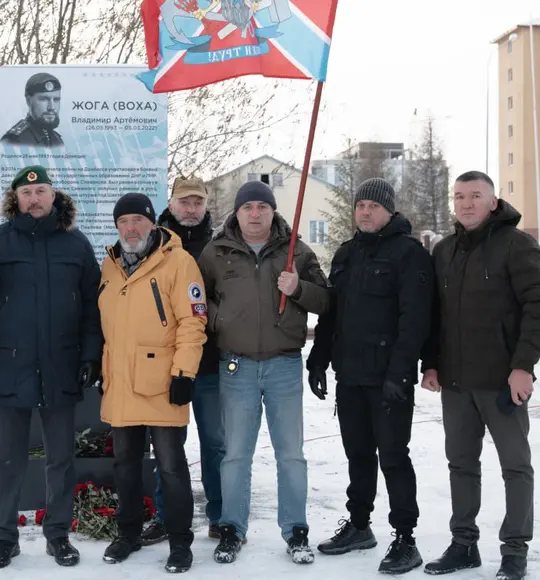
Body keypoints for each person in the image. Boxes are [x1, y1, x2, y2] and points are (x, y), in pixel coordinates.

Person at [0, 165, 103, 569]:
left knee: (61, 458)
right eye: (27, 193)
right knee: (9, 459)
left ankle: (58, 535)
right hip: (11, 367)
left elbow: (93, 307)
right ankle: (5, 537)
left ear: (53, 196)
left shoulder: (75, 245)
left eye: (41, 191)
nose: (35, 199)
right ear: (16, 200)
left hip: (61, 365)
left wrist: (91, 355)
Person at [420, 171, 540, 580]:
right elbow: (434, 316)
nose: (466, 203)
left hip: (502, 382)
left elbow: (538, 308)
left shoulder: (517, 245)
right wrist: (432, 363)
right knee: (460, 465)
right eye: (459, 196)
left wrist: (522, 366)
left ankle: (515, 549)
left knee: (515, 465)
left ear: (493, 202)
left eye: (475, 196)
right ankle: (463, 544)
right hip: (456, 384)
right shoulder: (444, 251)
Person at [197, 180, 331, 565]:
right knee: (236, 454)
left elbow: (326, 300)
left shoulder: (296, 251)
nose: (255, 214)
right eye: (247, 207)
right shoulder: (216, 252)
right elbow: (196, 298)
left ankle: (296, 530)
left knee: (291, 455)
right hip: (235, 366)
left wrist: (299, 287)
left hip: (283, 365)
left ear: (273, 211)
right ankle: (232, 529)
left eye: (262, 206)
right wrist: (219, 318)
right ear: (236, 212)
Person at [306, 178, 433, 574]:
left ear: (389, 210)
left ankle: (405, 538)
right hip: (351, 377)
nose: (364, 211)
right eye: (360, 205)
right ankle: (359, 525)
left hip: (389, 380)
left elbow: (415, 321)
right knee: (358, 455)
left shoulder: (408, 254)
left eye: (372, 206)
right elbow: (331, 314)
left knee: (394, 457)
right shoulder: (346, 254)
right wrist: (318, 360)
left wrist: (401, 375)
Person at [97, 192, 207, 573]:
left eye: (138, 221)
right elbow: (107, 327)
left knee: (172, 467)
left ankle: (179, 542)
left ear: (152, 223)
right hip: (121, 383)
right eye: (123, 222)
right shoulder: (109, 265)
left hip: (163, 383)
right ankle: (128, 533)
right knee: (125, 463)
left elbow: (194, 322)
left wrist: (184, 373)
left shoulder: (178, 262)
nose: (131, 228)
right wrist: (102, 370)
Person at [141, 176, 226, 546]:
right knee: (167, 446)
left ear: (205, 206)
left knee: (215, 443)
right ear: (171, 204)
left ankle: (220, 515)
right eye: (184, 202)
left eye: (197, 202)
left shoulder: (220, 245)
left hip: (210, 362)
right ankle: (165, 515)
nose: (190, 209)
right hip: (165, 362)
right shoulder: (152, 244)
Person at [0, 72, 65, 148]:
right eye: (44, 99)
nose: (52, 107)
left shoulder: (57, 140)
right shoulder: (13, 141)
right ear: (28, 101)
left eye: (56, 100)